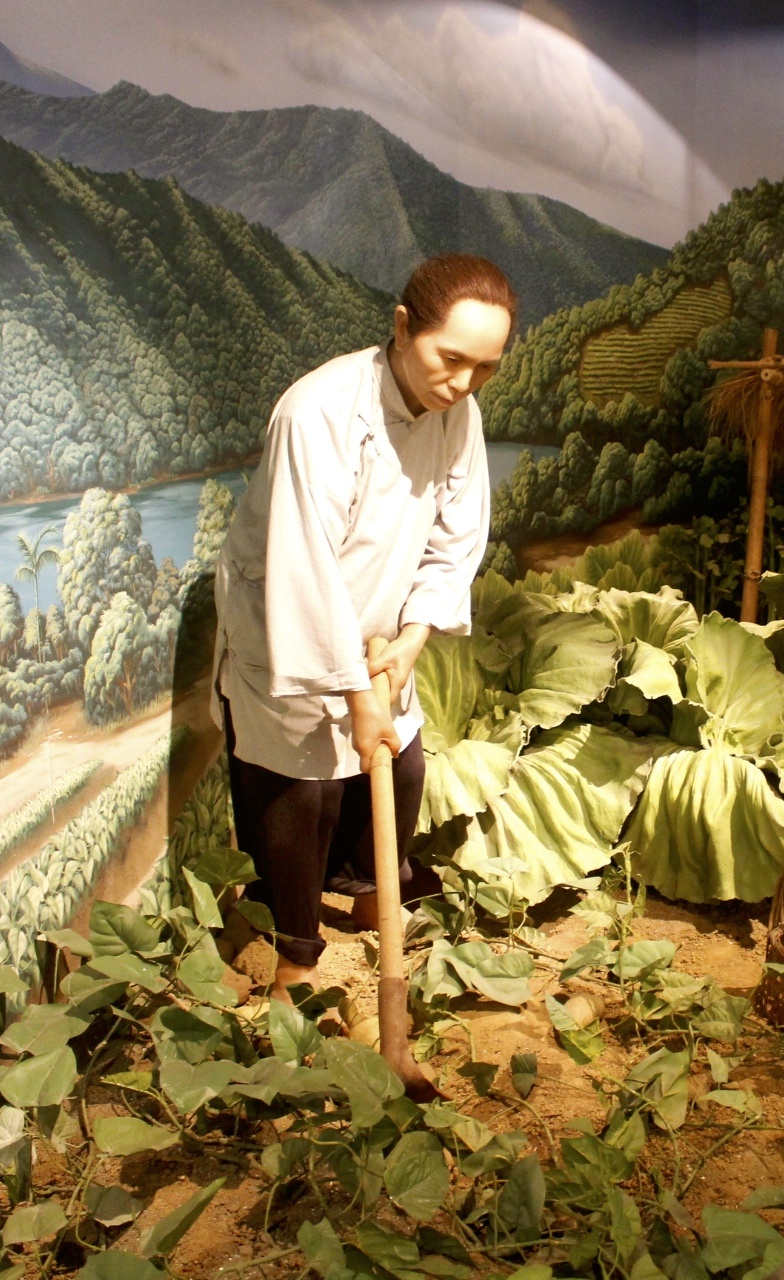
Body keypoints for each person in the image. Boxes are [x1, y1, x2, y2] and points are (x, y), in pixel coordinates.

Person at [212, 253, 513, 998]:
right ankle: (295, 957)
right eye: (451, 360)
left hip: (379, 625)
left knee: (402, 764)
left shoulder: (457, 413)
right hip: (288, 619)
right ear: (403, 326)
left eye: (485, 369)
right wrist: (351, 692)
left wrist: (410, 640)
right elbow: (304, 567)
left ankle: (376, 892)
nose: (464, 385)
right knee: (305, 784)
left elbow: (456, 533)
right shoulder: (318, 413)